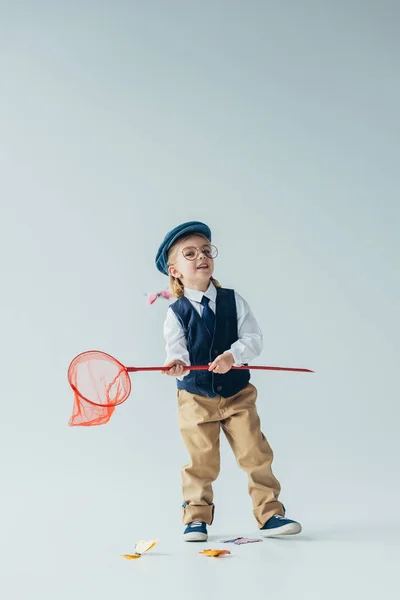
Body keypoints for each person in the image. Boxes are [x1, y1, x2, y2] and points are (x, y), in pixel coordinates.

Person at [155, 221, 301, 542]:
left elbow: (254, 338)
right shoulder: (176, 312)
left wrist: (233, 355)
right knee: (201, 461)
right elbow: (175, 350)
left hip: (237, 394)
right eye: (190, 254)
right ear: (175, 270)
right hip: (195, 398)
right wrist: (175, 365)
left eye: (206, 250)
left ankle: (270, 513)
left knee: (255, 453)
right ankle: (195, 517)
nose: (201, 257)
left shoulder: (234, 301)